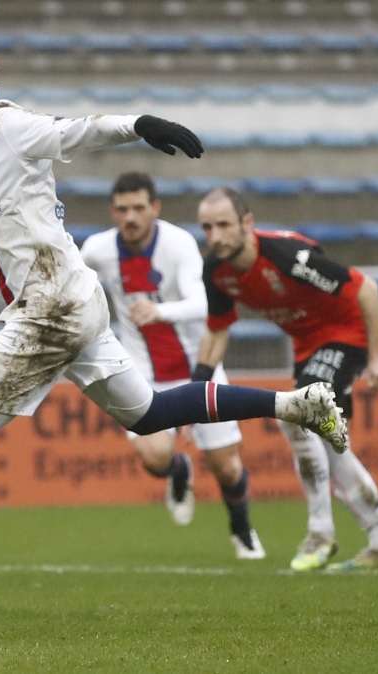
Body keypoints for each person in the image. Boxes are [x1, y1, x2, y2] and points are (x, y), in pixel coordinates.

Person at [0, 37, 347, 624]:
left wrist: (142, 124)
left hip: (51, 306)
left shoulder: (9, 128)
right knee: (148, 414)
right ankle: (296, 406)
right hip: (71, 300)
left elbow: (78, 131)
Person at [195, 187, 378, 572]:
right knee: (331, 444)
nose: (215, 236)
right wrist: (199, 383)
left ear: (247, 223)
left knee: (293, 418)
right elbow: (217, 329)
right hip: (308, 347)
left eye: (224, 225)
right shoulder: (217, 271)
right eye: (207, 228)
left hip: (347, 335)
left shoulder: (287, 257)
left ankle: (321, 533)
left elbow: (367, 288)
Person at [80, 172, 264, 560]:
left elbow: (204, 304)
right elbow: (71, 284)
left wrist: (159, 310)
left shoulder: (178, 242)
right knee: (154, 458)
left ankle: (242, 527)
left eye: (139, 208)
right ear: (113, 211)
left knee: (228, 469)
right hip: (142, 371)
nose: (131, 217)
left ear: (155, 209)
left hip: (201, 364)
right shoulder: (96, 250)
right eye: (123, 209)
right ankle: (179, 470)